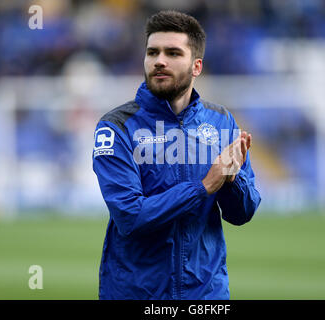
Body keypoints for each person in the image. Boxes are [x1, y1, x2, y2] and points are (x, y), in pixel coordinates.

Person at [92, 10, 261, 300]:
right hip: (137, 293)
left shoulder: (221, 121)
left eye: (172, 53)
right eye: (152, 52)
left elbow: (242, 213)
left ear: (196, 66)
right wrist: (204, 186)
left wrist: (232, 182)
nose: (159, 60)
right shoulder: (116, 127)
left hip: (207, 294)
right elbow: (130, 217)